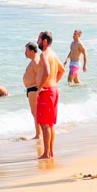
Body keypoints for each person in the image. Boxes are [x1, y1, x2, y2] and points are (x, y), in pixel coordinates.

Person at [35, 31, 66, 159]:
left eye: (39, 39)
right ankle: (50, 152)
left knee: (44, 124)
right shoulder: (53, 54)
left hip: (46, 92)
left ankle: (46, 153)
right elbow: (62, 70)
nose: (37, 42)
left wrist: (40, 87)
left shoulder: (44, 55)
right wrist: (53, 82)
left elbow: (47, 72)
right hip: (53, 90)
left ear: (45, 41)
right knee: (50, 124)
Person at [22, 42, 42, 140]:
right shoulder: (34, 60)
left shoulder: (35, 61)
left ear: (32, 51)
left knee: (35, 112)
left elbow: (40, 74)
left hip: (34, 89)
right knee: (35, 112)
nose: (25, 53)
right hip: (32, 89)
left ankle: (38, 134)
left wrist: (39, 88)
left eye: (26, 51)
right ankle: (39, 133)